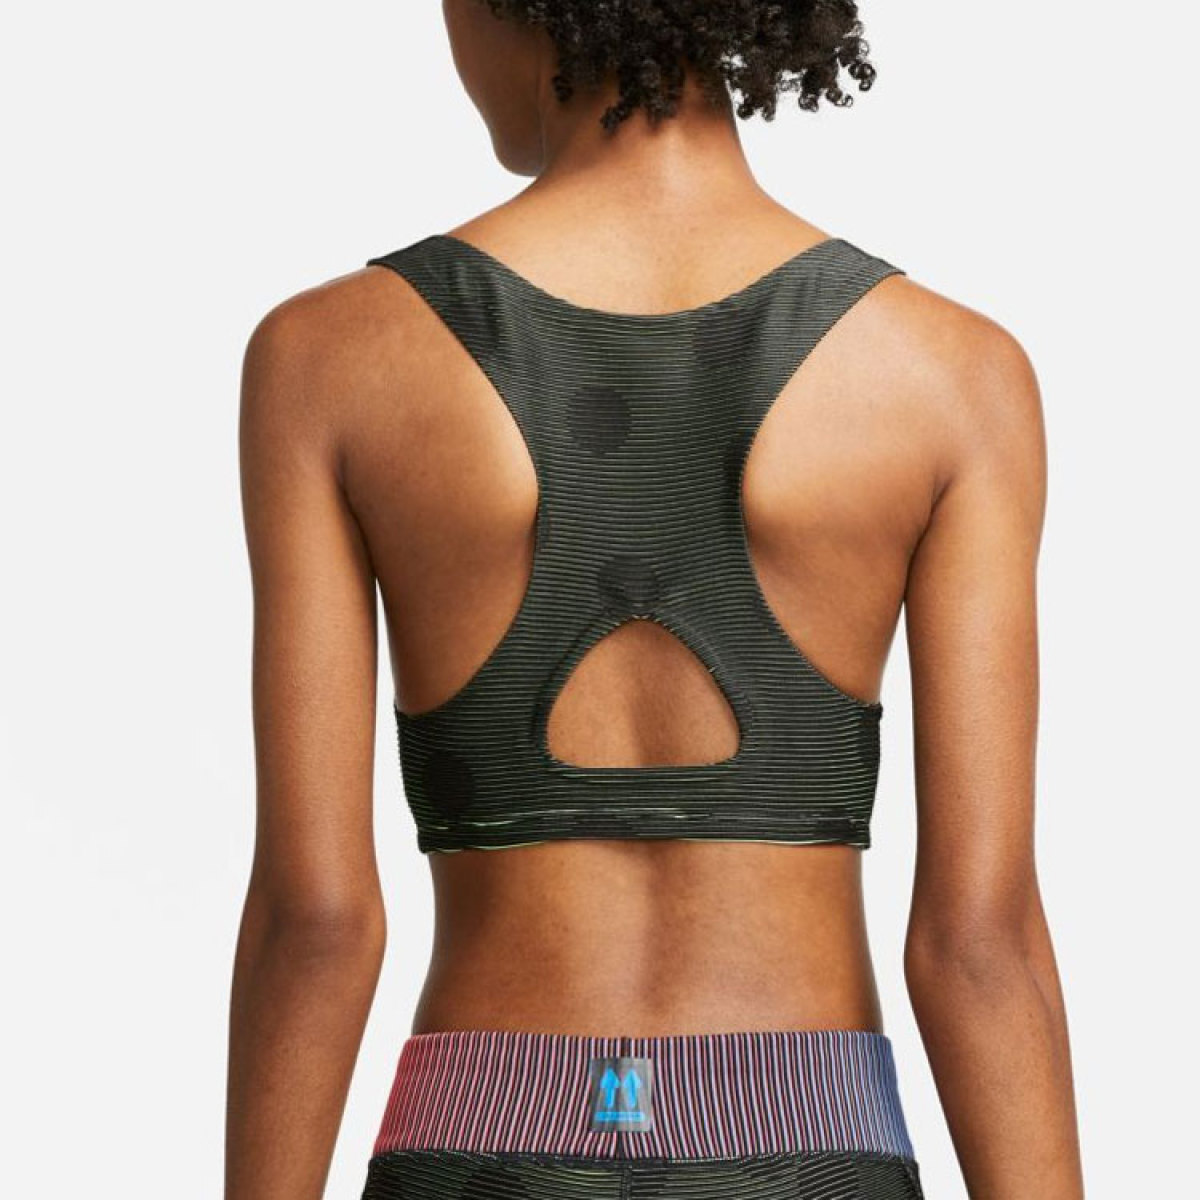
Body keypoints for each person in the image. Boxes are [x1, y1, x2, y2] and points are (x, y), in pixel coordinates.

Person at [226, 2, 1085, 1197]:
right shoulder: (951, 377)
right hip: (808, 1139)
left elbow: (317, 921)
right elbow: (977, 944)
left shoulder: (331, 359)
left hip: (481, 1139)